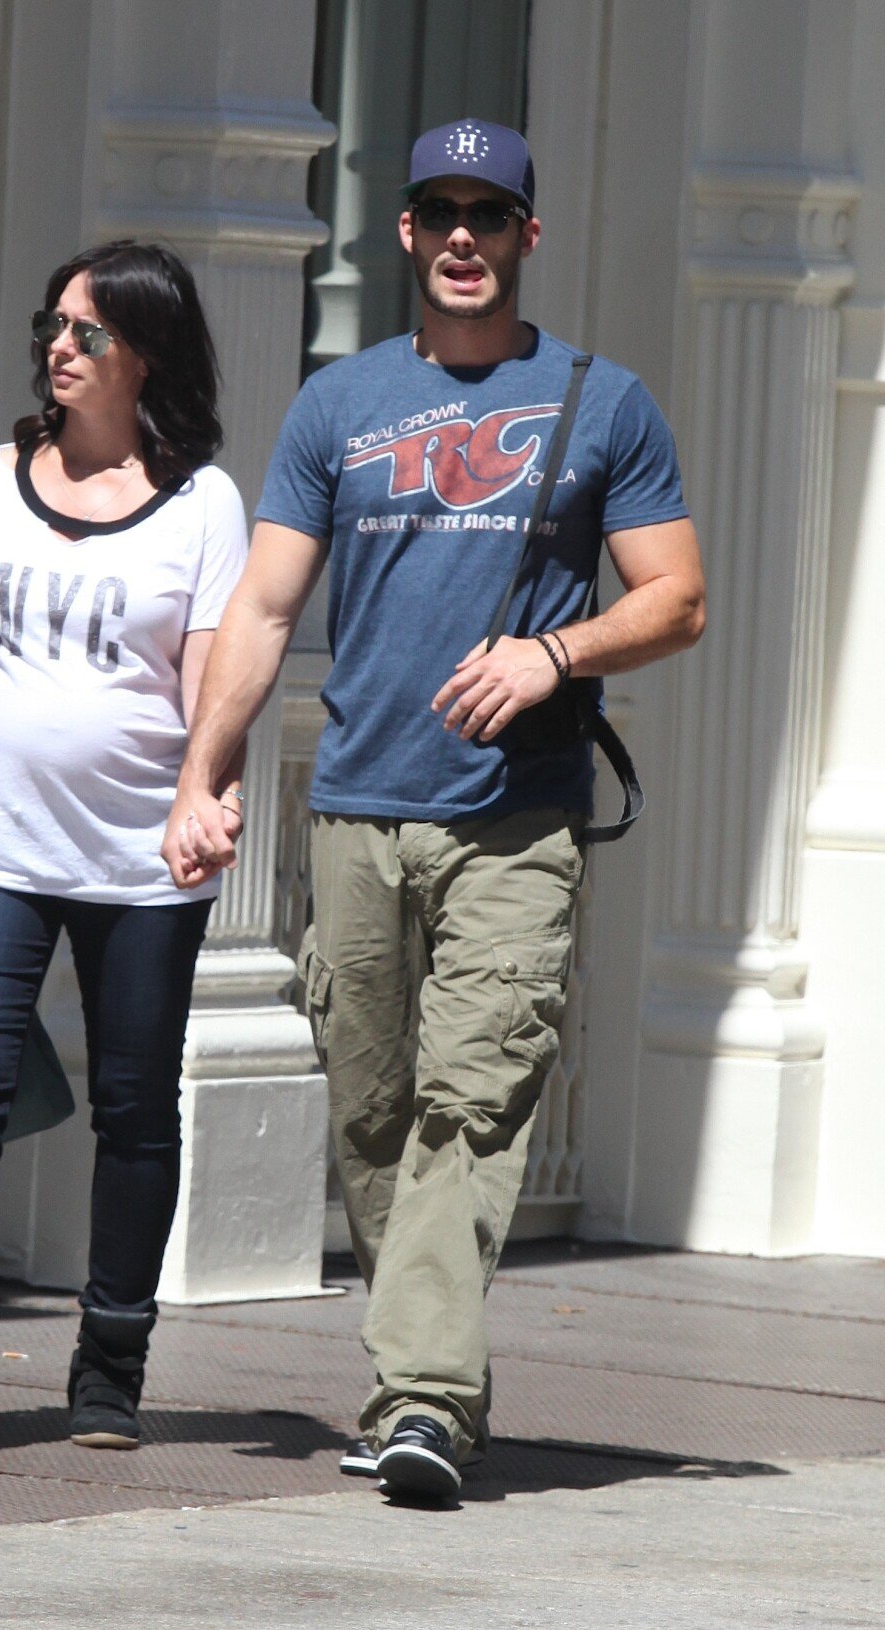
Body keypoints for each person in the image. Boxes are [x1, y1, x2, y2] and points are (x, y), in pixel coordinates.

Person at [162, 119, 705, 1501]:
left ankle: (422, 1398)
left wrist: (555, 652)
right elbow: (266, 604)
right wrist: (203, 770)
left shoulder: (605, 401)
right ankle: (432, 1368)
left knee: (475, 1097)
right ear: (402, 232)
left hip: (516, 819)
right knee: (372, 1106)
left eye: (492, 213)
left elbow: (677, 597)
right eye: (440, 211)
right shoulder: (338, 406)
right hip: (357, 805)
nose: (466, 235)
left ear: (527, 235)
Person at [0, 241, 247, 1454]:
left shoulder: (204, 505)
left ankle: (110, 1360)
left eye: (86, 333)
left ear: (147, 356)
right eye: (51, 326)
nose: (57, 348)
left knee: (134, 1107)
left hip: (138, 857)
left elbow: (211, 682)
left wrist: (205, 797)